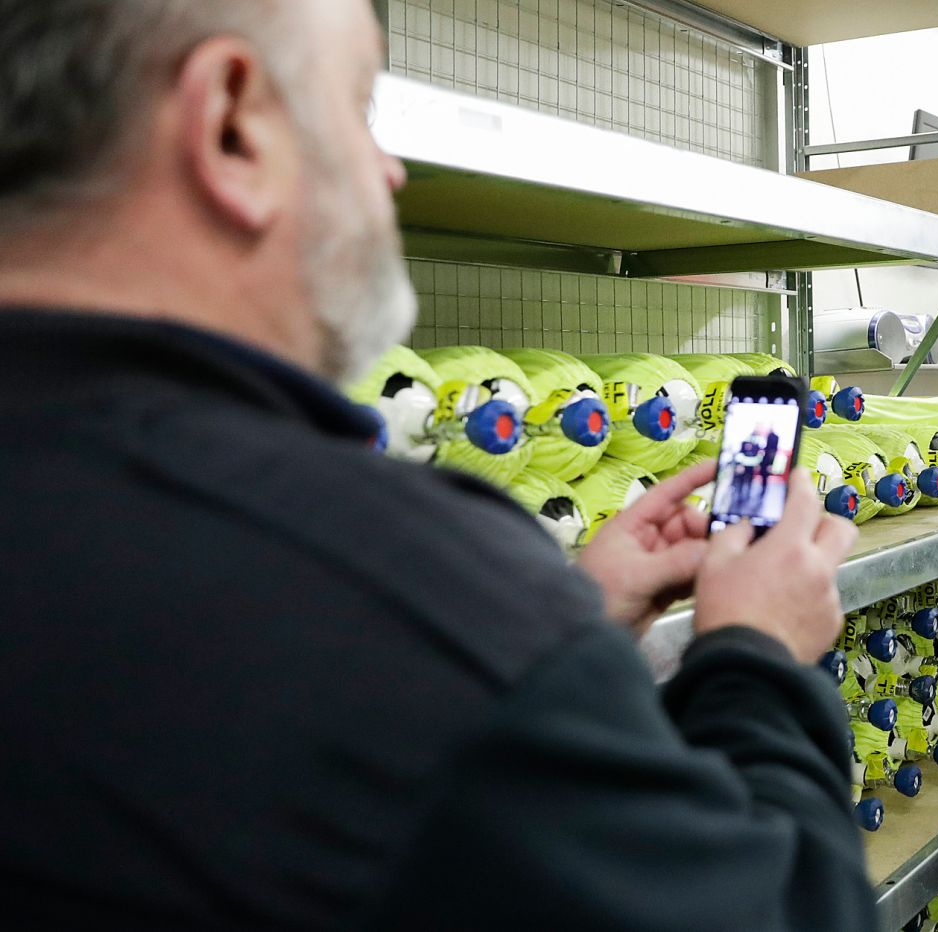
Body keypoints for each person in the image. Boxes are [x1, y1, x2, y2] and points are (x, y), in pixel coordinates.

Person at [0, 2, 875, 929]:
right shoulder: (398, 580)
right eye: (359, 106)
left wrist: (562, 622)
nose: (391, 168)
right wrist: (758, 657)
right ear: (230, 124)